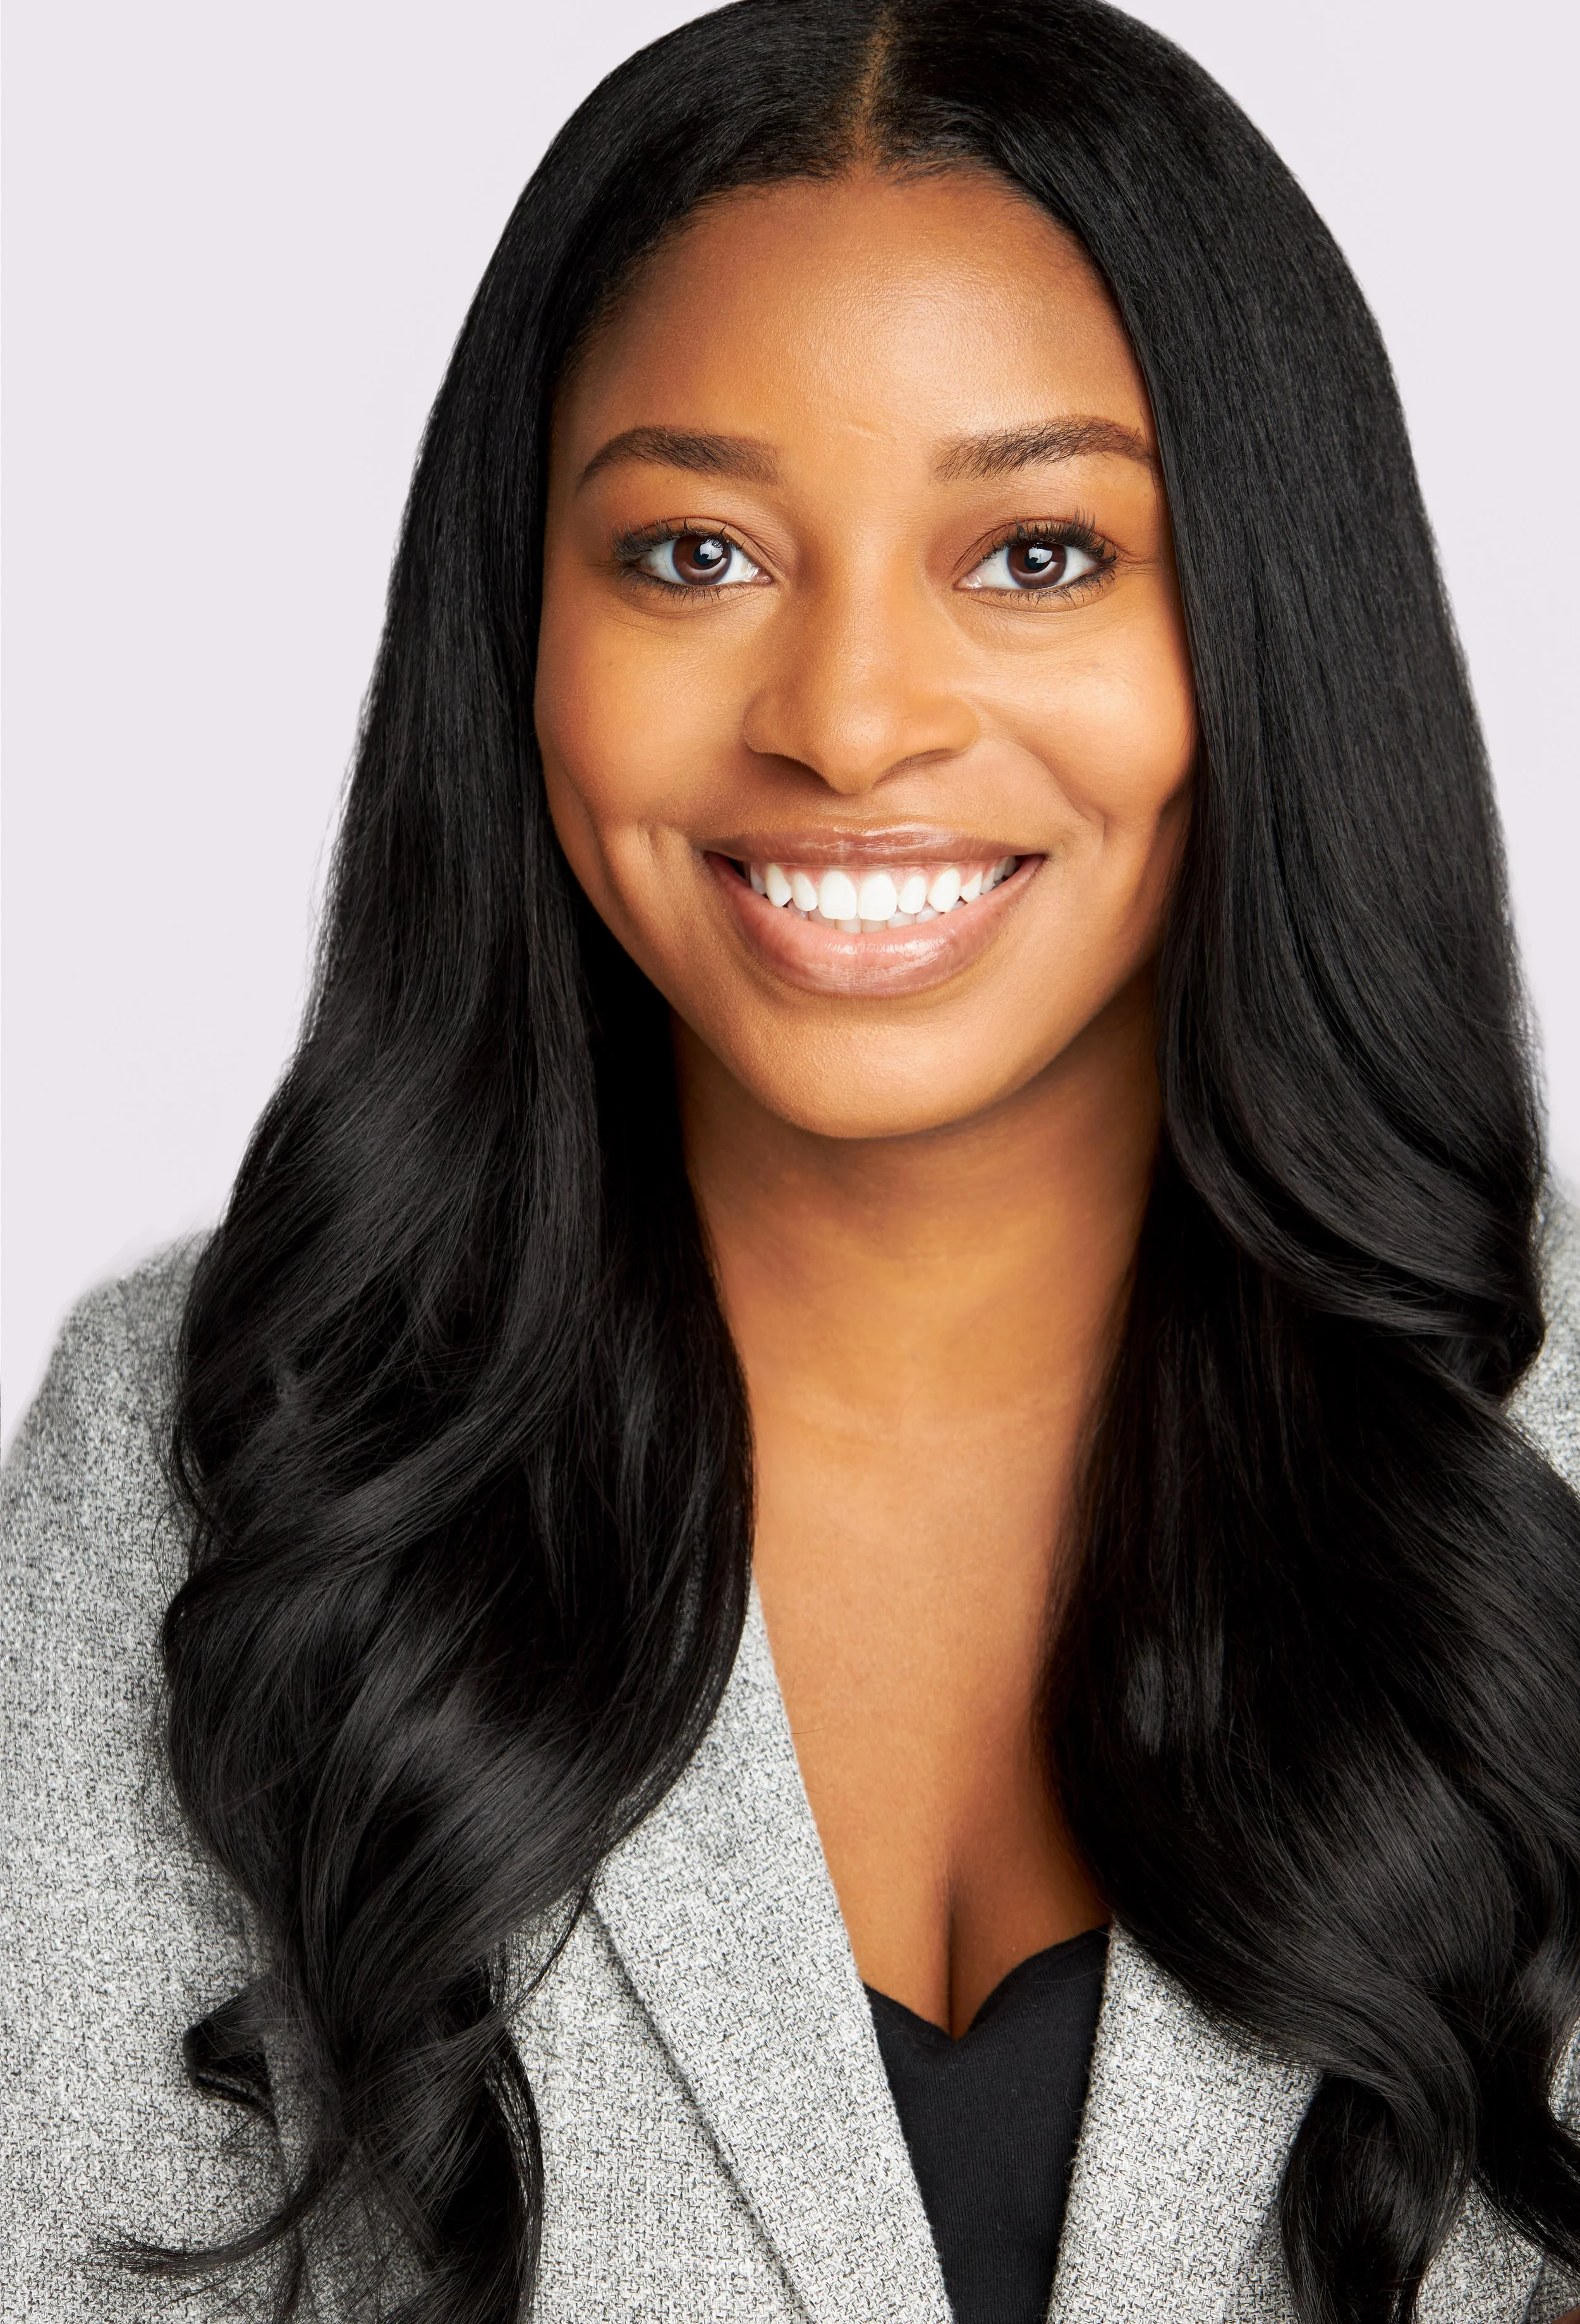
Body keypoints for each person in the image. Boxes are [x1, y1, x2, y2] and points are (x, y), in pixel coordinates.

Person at [4, 1, 1579, 2318]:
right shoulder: (203, 1449)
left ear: (1265, 624)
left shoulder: (1545, 1445)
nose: (846, 717)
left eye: (1035, 553)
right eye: (693, 552)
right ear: (515, 625)